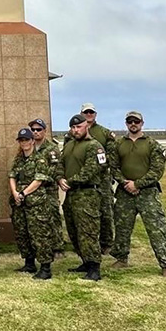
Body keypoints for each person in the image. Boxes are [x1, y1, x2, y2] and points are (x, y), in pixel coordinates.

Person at [109, 111, 166, 276]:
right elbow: (114, 167)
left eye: (136, 121)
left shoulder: (152, 144)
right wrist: (125, 183)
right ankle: (121, 258)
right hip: (124, 192)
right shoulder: (119, 145)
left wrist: (137, 184)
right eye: (130, 121)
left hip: (147, 193)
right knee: (122, 228)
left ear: (142, 123)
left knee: (156, 229)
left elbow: (157, 170)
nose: (133, 124)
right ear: (126, 124)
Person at [57, 114, 105, 281]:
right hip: (71, 195)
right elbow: (60, 165)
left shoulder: (94, 146)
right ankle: (85, 261)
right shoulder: (69, 145)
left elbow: (91, 170)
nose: (75, 130)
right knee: (74, 230)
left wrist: (69, 181)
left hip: (87, 195)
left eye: (78, 127)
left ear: (87, 127)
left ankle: (94, 268)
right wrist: (60, 178)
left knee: (88, 231)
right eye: (73, 127)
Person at [9, 128, 55, 280]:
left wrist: (23, 193)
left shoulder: (40, 159)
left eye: (27, 140)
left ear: (32, 141)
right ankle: (29, 263)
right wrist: (15, 192)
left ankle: (45, 268)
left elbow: (39, 180)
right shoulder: (19, 159)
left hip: (36, 204)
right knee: (23, 234)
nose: (24, 143)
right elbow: (12, 176)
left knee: (39, 235)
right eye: (21, 140)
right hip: (20, 203)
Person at [78, 103, 118, 254]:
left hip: (101, 180)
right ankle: (87, 243)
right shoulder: (73, 133)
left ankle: (106, 242)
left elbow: (112, 157)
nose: (89, 114)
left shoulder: (104, 133)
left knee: (105, 210)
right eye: (86, 112)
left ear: (95, 114)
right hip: (82, 182)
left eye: (91, 112)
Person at [30, 118, 65, 258]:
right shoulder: (28, 147)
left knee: (53, 217)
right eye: (33, 130)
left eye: (38, 129)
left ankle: (58, 247)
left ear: (44, 131)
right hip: (32, 191)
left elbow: (54, 169)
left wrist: (39, 180)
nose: (35, 132)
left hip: (48, 189)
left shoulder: (51, 149)